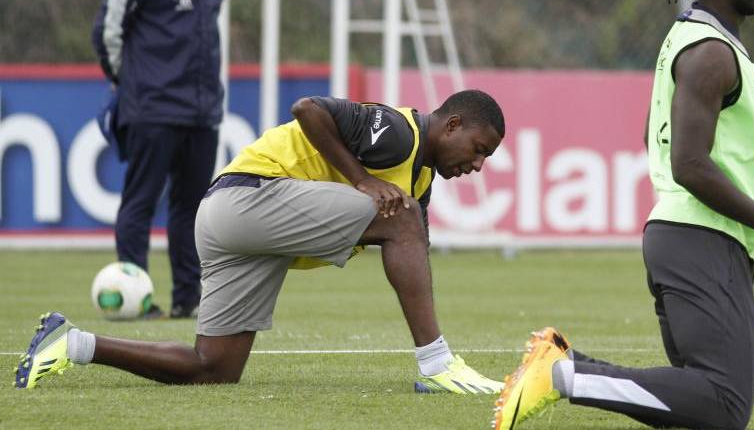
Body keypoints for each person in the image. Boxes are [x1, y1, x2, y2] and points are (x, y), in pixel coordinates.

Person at [492, 0, 754, 430]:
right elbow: (687, 165)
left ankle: (564, 371)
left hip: (689, 237)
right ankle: (563, 374)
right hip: (701, 238)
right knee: (721, 403)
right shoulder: (712, 51)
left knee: (700, 407)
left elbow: (653, 133)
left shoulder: (692, 39)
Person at [15, 89, 506, 395]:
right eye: (478, 149)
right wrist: (360, 178)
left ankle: (72, 344)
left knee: (212, 369)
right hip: (249, 198)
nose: (478, 164)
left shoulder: (420, 183)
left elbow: (411, 245)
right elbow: (307, 108)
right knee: (400, 219)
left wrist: (395, 217)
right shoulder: (399, 133)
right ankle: (438, 364)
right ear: (452, 124)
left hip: (234, 227)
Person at [90, 0, 228, 319]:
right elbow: (108, 31)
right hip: (150, 106)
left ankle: (188, 300)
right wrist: (127, 86)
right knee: (140, 202)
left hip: (203, 110)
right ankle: (135, 300)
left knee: (193, 209)